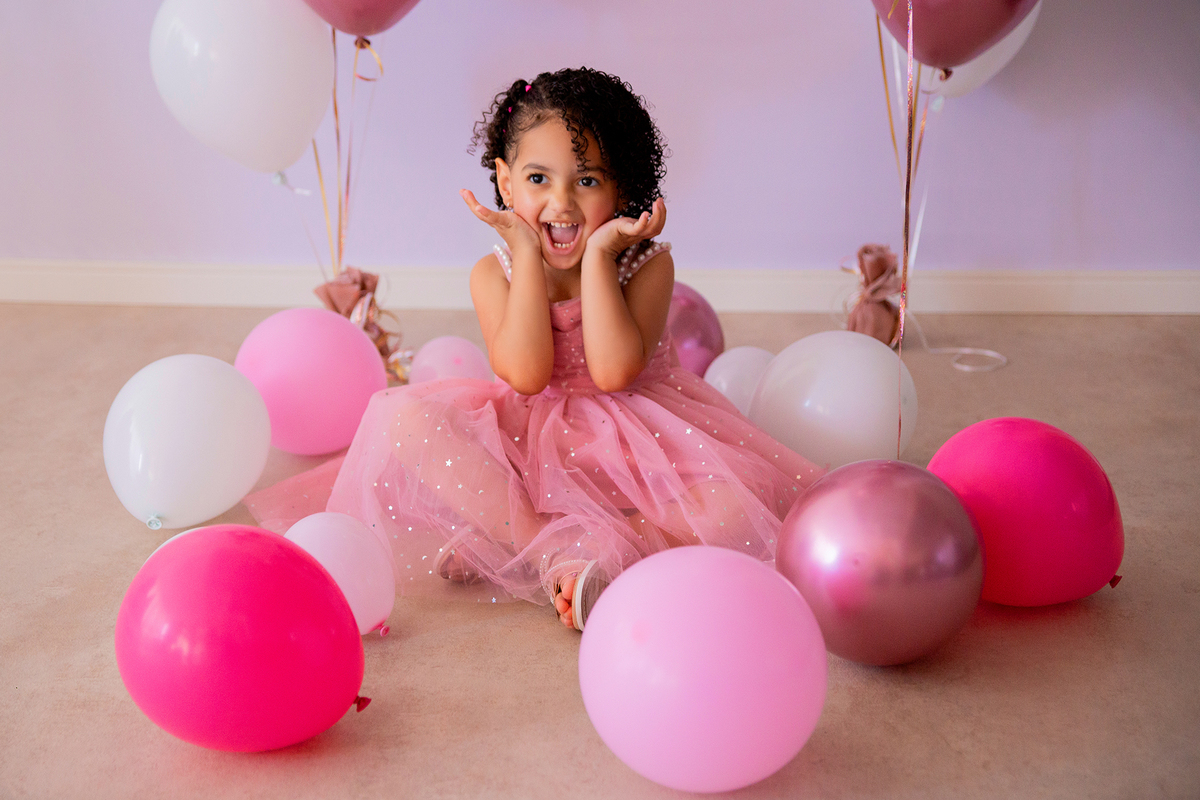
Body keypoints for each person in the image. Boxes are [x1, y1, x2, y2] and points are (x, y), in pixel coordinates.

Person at [247, 67, 823, 631]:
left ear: (621, 187)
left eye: (588, 181)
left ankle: (612, 547)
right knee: (409, 421)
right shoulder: (492, 272)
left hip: (640, 437)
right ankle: (546, 548)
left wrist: (598, 258)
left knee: (733, 510)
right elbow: (525, 374)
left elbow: (615, 370)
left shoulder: (646, 263)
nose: (562, 204)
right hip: (530, 439)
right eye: (539, 180)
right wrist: (526, 255)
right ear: (505, 182)